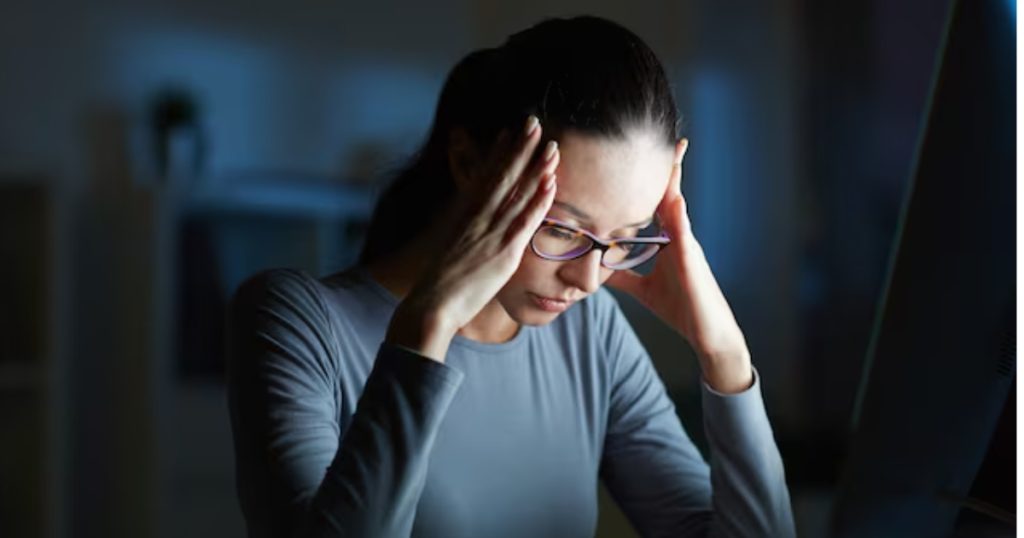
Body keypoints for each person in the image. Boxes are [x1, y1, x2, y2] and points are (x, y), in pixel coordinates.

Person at [225, 15, 796, 538]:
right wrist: (427, 327)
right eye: (563, 231)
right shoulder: (295, 322)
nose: (588, 280)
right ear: (471, 167)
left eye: (624, 241)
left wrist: (724, 353)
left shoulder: (589, 332)